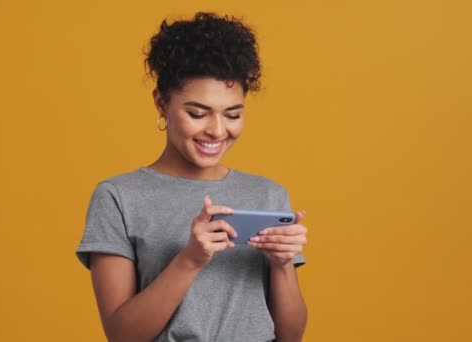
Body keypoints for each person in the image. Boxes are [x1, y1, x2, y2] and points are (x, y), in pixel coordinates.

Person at [75, 12, 309, 342]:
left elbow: (291, 335)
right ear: (161, 102)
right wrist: (190, 259)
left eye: (233, 114)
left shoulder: (268, 195)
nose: (216, 130)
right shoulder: (118, 197)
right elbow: (122, 335)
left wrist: (282, 264)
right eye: (197, 113)